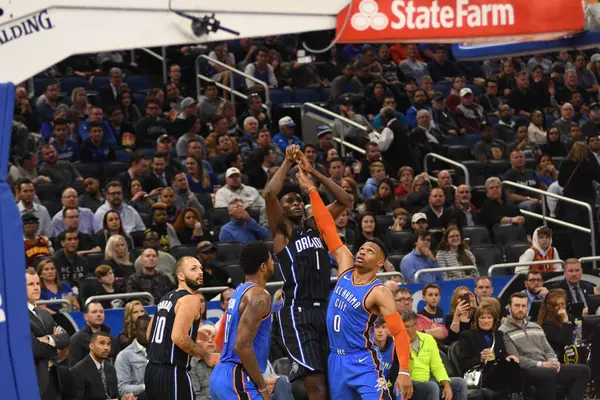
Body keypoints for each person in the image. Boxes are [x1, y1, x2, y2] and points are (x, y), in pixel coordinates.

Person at [296, 168, 413, 400]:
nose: (361, 252)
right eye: (361, 248)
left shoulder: (379, 292)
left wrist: (404, 371)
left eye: (369, 251)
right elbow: (325, 226)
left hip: (363, 360)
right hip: (335, 360)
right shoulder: (345, 266)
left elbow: (399, 332)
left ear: (380, 262)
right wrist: (311, 187)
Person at [263, 145, 352, 397]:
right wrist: (288, 163)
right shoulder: (282, 231)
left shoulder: (316, 226)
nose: (297, 202)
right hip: (297, 311)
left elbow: (346, 200)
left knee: (333, 377)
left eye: (299, 199)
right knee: (316, 382)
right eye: (289, 200)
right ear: (280, 209)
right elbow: (270, 193)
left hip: (324, 308)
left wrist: (314, 174)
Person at [210, 242, 275, 399]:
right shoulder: (259, 295)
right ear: (263, 267)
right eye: (271, 259)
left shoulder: (239, 291)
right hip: (238, 377)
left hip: (222, 373)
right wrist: (262, 386)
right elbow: (242, 345)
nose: (274, 263)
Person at [144, 256, 214, 400]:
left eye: (200, 268)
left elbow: (149, 334)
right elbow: (178, 337)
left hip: (152, 371)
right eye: (193, 269)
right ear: (180, 275)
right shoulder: (191, 299)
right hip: (172, 372)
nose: (200, 272)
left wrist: (194, 335)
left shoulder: (166, 297)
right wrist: (206, 355)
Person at [500, 292, 591, 400]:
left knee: (584, 370)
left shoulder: (535, 327)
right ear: (509, 307)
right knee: (548, 373)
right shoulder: (503, 331)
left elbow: (548, 349)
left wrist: (553, 361)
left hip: (547, 366)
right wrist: (541, 364)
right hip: (527, 370)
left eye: (523, 306)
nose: (520, 309)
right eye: (517, 305)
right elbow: (516, 359)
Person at [457, 304, 522, 397]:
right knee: (511, 370)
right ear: (477, 320)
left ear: (494, 320)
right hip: (482, 374)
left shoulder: (498, 334)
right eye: (482, 318)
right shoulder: (467, 335)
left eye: (489, 317)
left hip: (498, 372)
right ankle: (516, 394)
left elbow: (501, 354)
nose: (486, 321)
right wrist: (480, 358)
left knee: (513, 363)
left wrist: (508, 356)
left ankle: (516, 394)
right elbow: (463, 363)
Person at [401, 310, 468, 400]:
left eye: (410, 326)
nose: (407, 330)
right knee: (432, 387)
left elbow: (437, 365)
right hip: (409, 383)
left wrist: (446, 385)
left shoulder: (428, 339)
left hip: (427, 381)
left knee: (460, 383)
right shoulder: (396, 342)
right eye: (404, 327)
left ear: (416, 325)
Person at [27, 270, 70, 400]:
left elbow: (65, 338)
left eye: (37, 283)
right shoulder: (18, 316)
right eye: (30, 284)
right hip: (35, 380)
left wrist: (48, 339)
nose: (36, 288)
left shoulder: (44, 313)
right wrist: (55, 347)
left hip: (54, 379)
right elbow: (34, 348)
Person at [558, 142, 600, 257]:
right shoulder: (588, 164)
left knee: (575, 232)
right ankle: (587, 258)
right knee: (587, 230)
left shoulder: (565, 164)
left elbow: (561, 183)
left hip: (571, 202)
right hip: (586, 201)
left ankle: (579, 257)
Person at [70, 331, 135, 400]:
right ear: (91, 346)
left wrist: (123, 399)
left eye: (108, 344)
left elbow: (114, 396)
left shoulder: (110, 368)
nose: (106, 348)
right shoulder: (78, 371)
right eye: (102, 343)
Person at [69, 301, 119, 366]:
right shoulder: (77, 339)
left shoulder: (112, 339)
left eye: (101, 312)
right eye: (94, 312)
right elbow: (73, 367)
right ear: (85, 316)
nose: (99, 314)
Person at [115, 315, 151, 399]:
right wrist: (147, 387)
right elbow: (122, 389)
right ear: (135, 331)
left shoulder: (162, 352)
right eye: (143, 330)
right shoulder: (124, 356)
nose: (148, 334)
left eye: (151, 330)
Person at [537, 289, 575, 362]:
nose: (561, 308)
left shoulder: (568, 317)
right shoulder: (546, 323)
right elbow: (566, 342)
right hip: (556, 360)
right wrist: (566, 321)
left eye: (563, 304)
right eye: (557, 305)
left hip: (568, 357)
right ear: (550, 307)